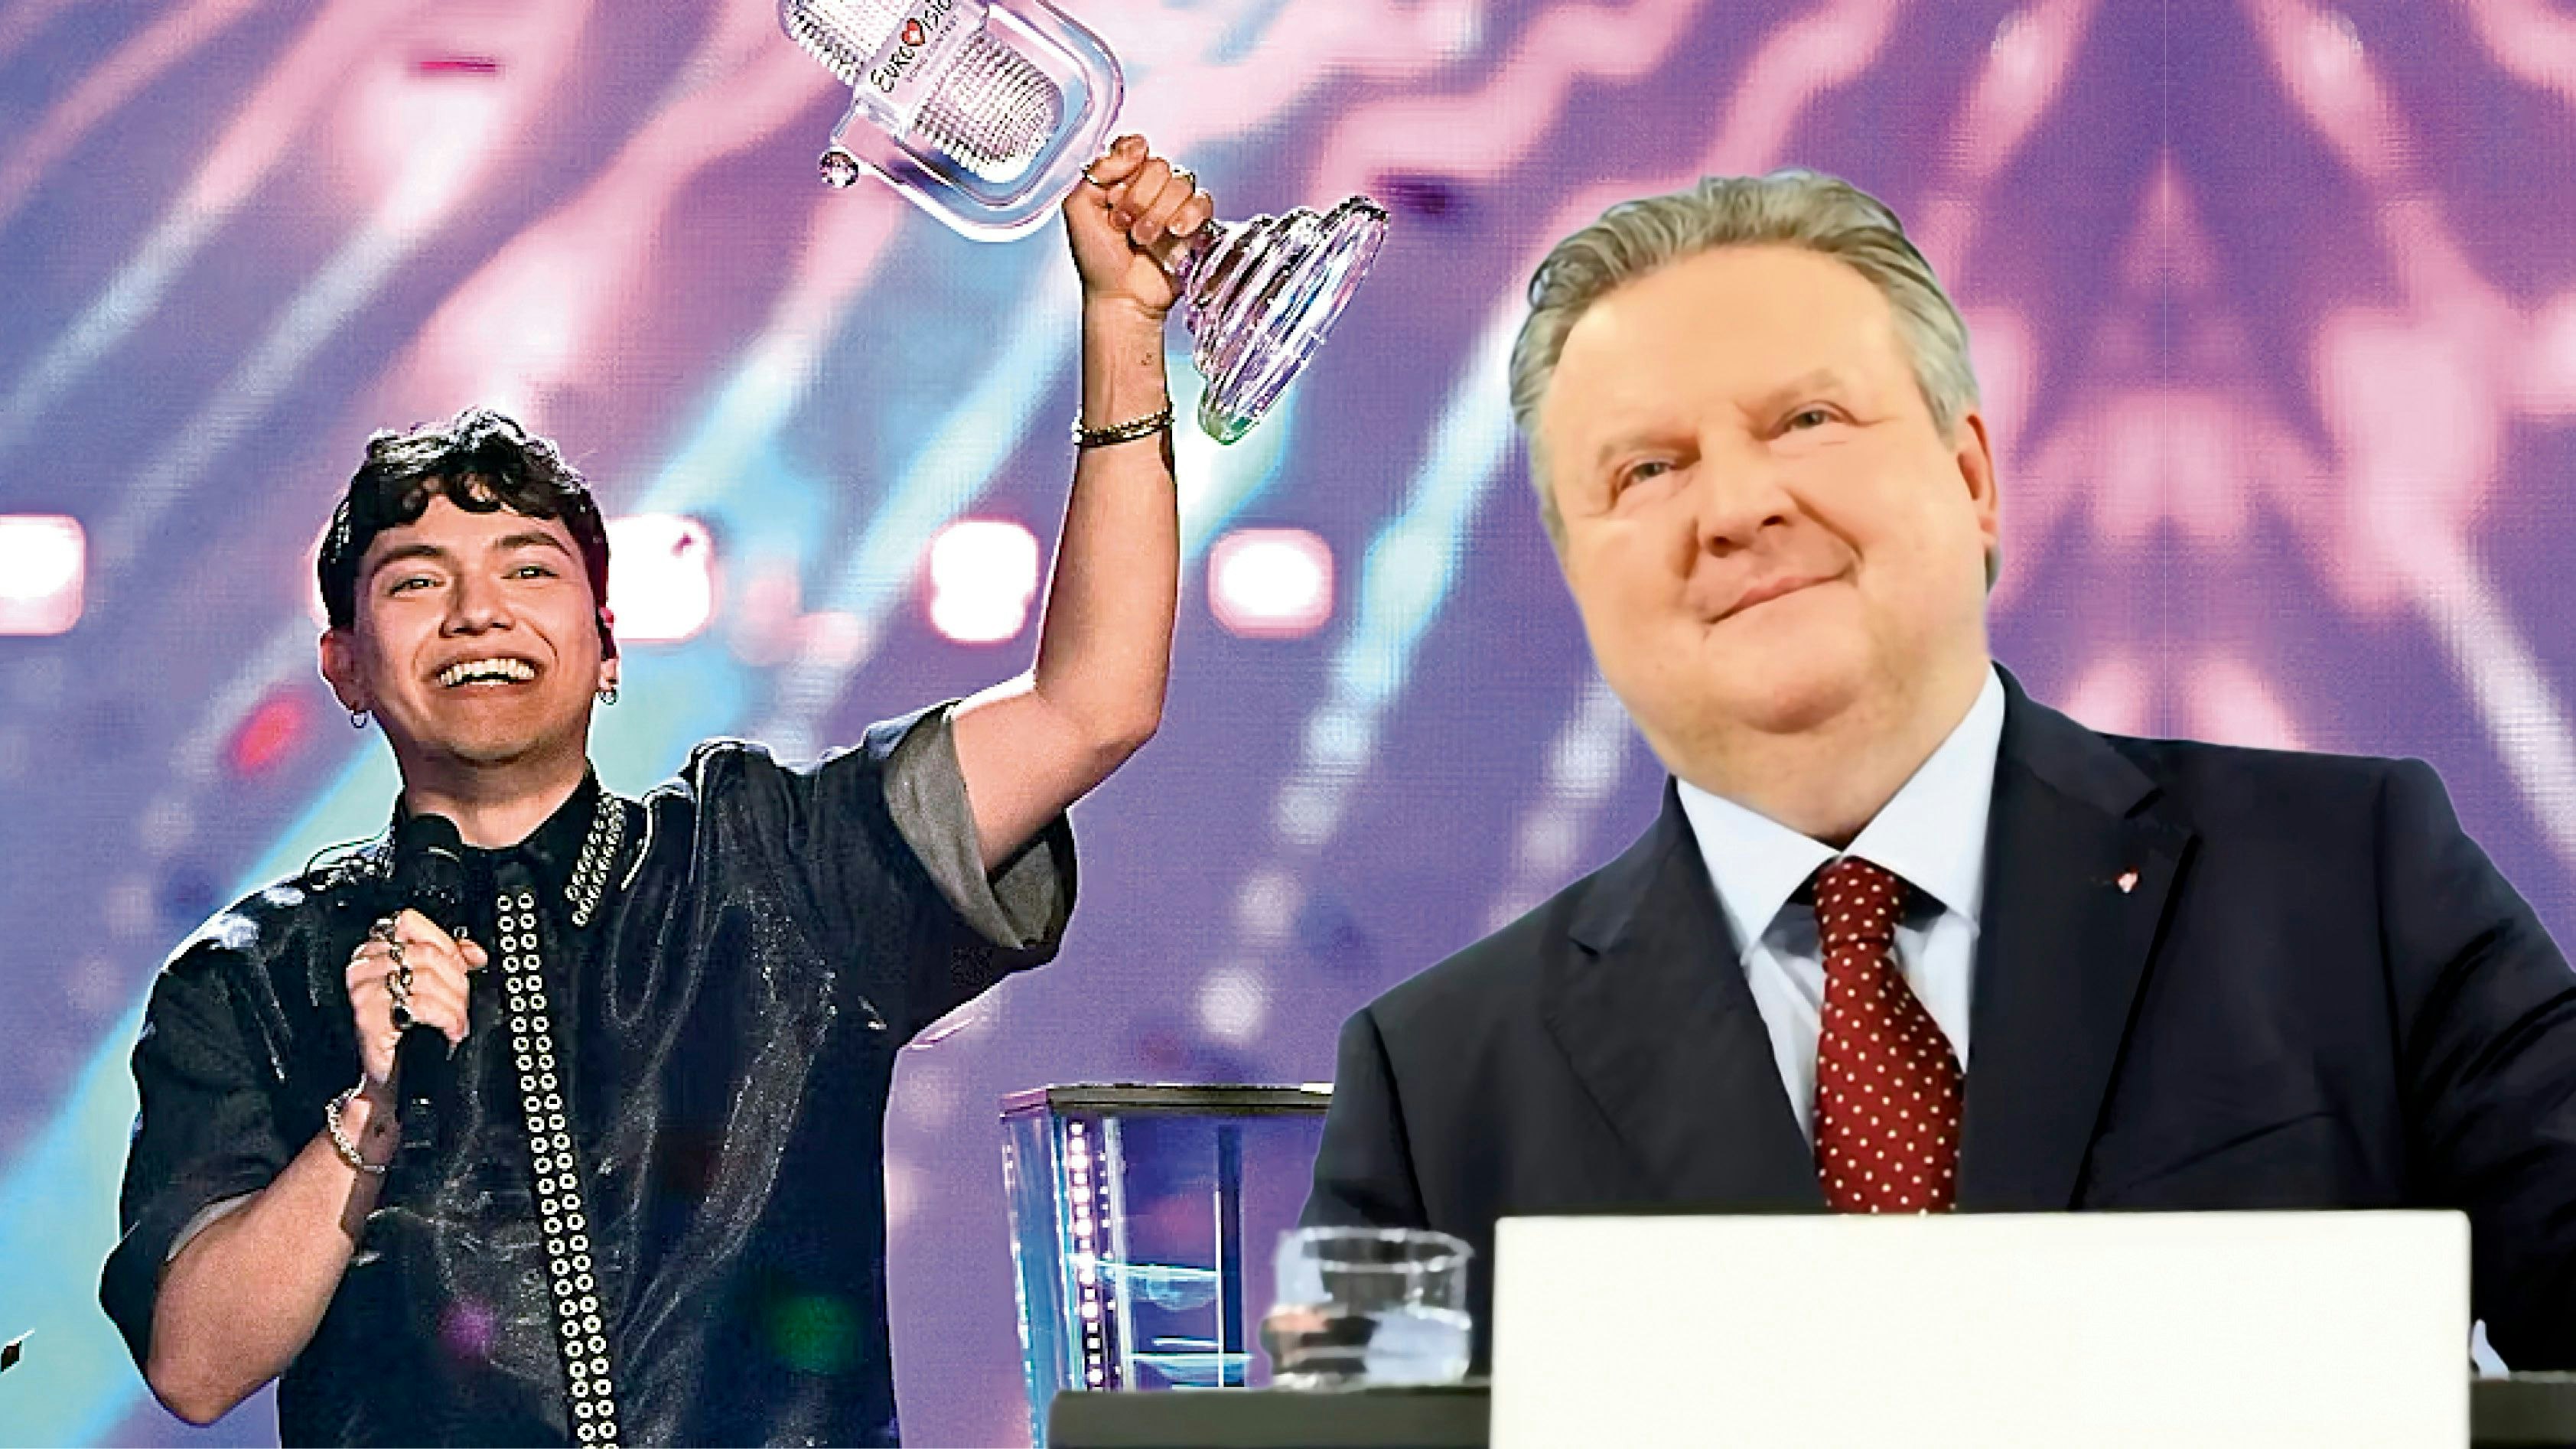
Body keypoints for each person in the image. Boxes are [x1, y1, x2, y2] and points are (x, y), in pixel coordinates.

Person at [1302, 169, 2576, 1370]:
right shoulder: (1438, 1089)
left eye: (1806, 420)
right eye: (1648, 468)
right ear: (1579, 572)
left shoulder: (2355, 886)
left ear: (1971, 479)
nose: (1736, 507)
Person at [103, 135, 1210, 1446]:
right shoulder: (251, 979)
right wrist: (369, 1111)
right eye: (416, 580)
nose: (477, 611)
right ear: (343, 663)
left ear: (608, 645)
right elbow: (196, 1363)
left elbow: (1092, 704)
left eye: (528, 569)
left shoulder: (768, 866)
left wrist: (1123, 326)